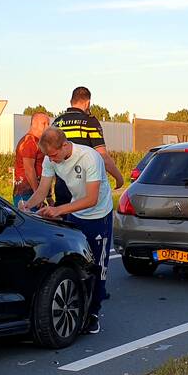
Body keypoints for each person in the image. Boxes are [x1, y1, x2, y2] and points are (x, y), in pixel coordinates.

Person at [18, 127, 113, 335]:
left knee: (97, 266)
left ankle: (94, 314)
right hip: (76, 211)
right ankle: (78, 306)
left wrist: (58, 209)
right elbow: (42, 190)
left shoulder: (89, 157)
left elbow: (91, 199)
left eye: (53, 155)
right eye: (47, 157)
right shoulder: (50, 159)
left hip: (98, 215)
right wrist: (28, 207)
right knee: (77, 262)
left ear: (64, 145)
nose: (51, 160)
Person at [50, 86, 125, 206]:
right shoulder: (89, 122)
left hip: (62, 188)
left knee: (63, 222)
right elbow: (103, 156)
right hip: (84, 190)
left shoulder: (56, 122)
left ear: (71, 101)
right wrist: (119, 178)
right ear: (88, 103)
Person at [12, 112, 51, 208]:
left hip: (34, 191)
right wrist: (37, 196)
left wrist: (48, 195)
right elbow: (29, 170)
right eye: (44, 124)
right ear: (34, 124)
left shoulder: (38, 142)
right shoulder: (30, 142)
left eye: (48, 124)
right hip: (27, 193)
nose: (47, 127)